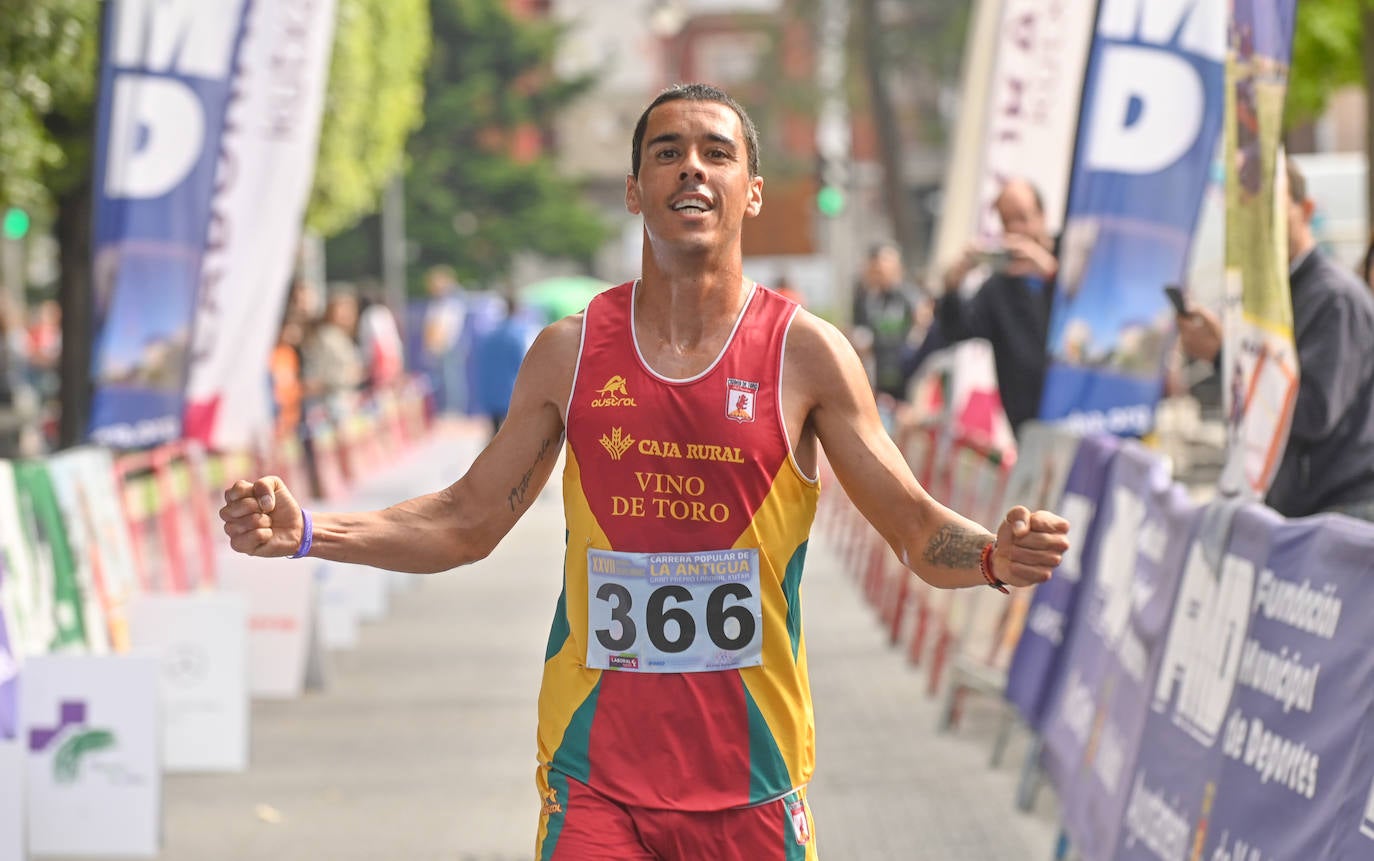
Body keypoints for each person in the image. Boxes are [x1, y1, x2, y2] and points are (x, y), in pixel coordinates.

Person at [220, 83, 1071, 859]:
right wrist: (307, 532)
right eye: (666, 152)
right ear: (635, 190)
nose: (690, 168)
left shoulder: (805, 354)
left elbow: (917, 530)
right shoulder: (570, 351)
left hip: (754, 780)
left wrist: (993, 555)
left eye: (716, 152)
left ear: (753, 192)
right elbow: (464, 519)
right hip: (597, 779)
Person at [1176, 158, 1374, 521]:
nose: (1257, 227)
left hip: (1338, 510)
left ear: (1307, 210)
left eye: (1271, 210)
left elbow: (1312, 413)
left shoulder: (1333, 298)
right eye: (1244, 214)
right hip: (1304, 507)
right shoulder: (1279, 292)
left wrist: (1223, 355)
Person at [937, 179, 1059, 436]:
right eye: (1006, 221)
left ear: (1042, 216)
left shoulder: (1069, 256)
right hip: (1028, 422)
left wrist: (1049, 272)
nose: (1015, 229)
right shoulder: (998, 286)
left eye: (1022, 218)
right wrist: (952, 286)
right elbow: (956, 329)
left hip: (1080, 411)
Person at [849, 242, 918, 402]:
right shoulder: (864, 299)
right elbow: (860, 332)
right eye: (873, 270)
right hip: (877, 373)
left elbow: (920, 326)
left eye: (881, 270)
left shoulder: (908, 296)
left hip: (906, 372)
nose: (877, 275)